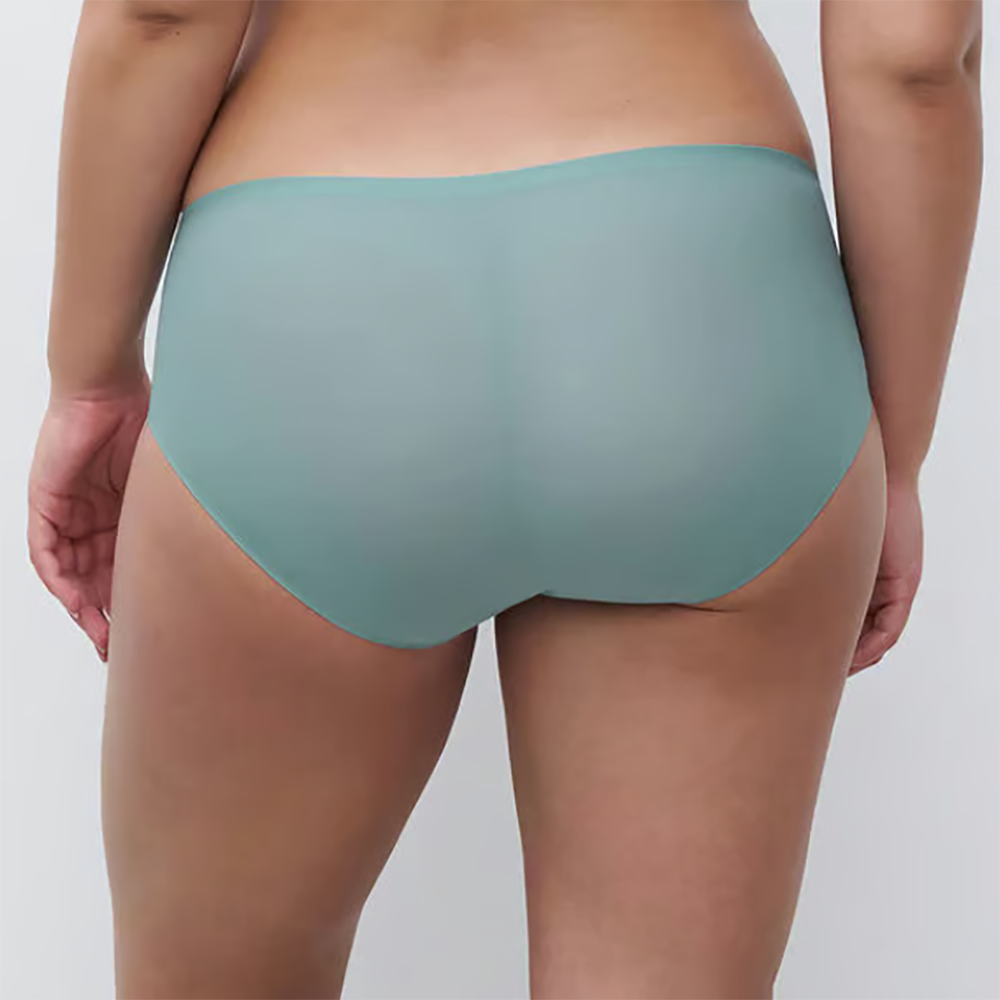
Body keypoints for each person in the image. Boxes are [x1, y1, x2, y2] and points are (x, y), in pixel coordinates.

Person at [26, 0, 982, 996]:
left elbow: (162, 11)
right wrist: (896, 452)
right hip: (701, 296)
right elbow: (911, 53)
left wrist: (89, 376)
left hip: (318, 290)